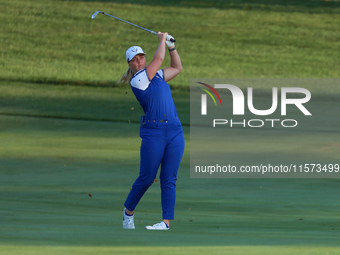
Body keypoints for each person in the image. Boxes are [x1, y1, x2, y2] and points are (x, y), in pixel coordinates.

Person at [119, 32, 185, 230]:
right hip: (153, 132)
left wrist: (172, 46)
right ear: (130, 65)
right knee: (147, 177)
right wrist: (163, 39)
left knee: (169, 178)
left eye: (141, 57)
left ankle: (165, 223)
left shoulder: (156, 75)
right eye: (134, 60)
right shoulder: (137, 80)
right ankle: (128, 212)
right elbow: (159, 58)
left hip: (174, 131)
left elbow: (177, 67)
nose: (139, 61)